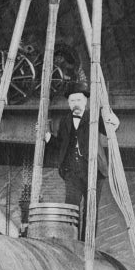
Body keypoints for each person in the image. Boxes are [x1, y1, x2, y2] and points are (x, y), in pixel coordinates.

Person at [45, 80, 118, 208]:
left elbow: (109, 130)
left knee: (91, 210)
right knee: (71, 208)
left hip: (94, 171)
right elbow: (62, 145)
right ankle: (72, 228)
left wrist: (115, 122)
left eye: (78, 100)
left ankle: (87, 228)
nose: (75, 104)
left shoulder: (94, 117)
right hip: (72, 171)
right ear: (68, 103)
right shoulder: (65, 121)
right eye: (72, 101)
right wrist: (48, 137)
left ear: (85, 101)